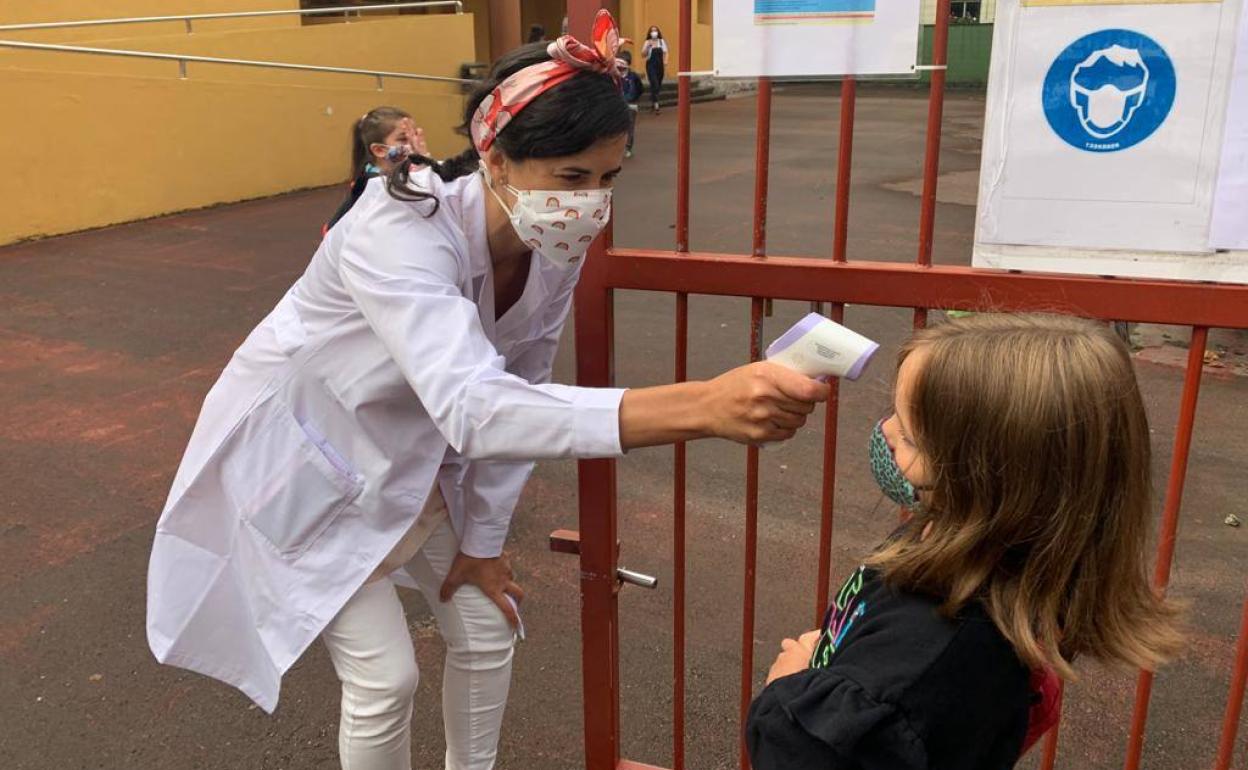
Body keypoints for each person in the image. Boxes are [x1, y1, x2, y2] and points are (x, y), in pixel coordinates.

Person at [146, 11, 828, 770]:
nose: (590, 204)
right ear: (495, 160)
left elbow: (523, 382)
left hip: (412, 461)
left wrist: (483, 541)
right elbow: (474, 405)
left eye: (608, 179)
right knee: (385, 676)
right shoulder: (396, 226)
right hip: (311, 462)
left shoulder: (548, 240)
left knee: (487, 622)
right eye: (571, 178)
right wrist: (701, 406)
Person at [747, 314, 1184, 769]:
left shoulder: (932, 658)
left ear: (989, 481)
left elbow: (810, 757)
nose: (887, 433)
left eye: (911, 436)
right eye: (895, 413)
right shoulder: (964, 543)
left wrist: (789, 688)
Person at [325, 107, 429, 234]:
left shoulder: (401, 171)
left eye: (414, 135)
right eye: (403, 139)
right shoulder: (375, 183)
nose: (413, 143)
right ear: (379, 150)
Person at [619, 50, 644, 158]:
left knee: (629, 127)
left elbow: (640, 88)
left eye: (623, 63)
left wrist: (633, 98)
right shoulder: (613, 75)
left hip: (631, 105)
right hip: (617, 104)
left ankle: (628, 147)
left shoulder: (633, 76)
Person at [641, 25, 668, 115]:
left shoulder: (661, 42)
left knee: (658, 85)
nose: (654, 32)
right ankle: (656, 105)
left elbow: (665, 52)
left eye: (655, 30)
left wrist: (665, 61)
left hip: (660, 65)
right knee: (654, 83)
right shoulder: (647, 42)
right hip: (651, 65)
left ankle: (653, 102)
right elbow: (643, 55)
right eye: (652, 31)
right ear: (649, 33)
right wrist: (647, 47)